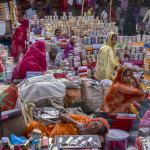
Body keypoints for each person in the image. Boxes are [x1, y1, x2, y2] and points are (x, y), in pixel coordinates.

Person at [24, 113, 109, 139]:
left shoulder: (91, 138)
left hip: (58, 144)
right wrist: (76, 124)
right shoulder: (83, 119)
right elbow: (61, 116)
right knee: (32, 125)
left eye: (96, 128)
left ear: (97, 133)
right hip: (48, 132)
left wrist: (83, 135)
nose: (93, 126)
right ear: (92, 120)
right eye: (94, 123)